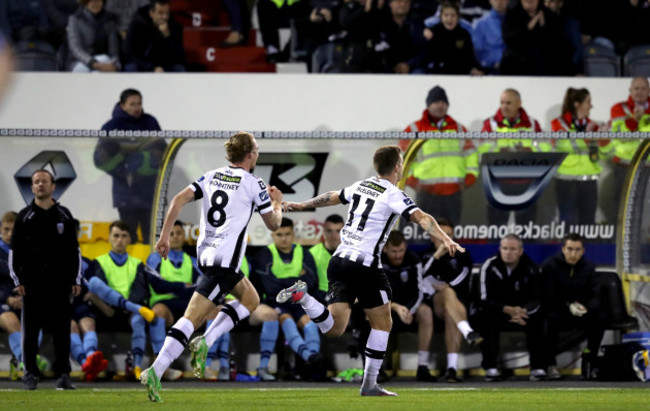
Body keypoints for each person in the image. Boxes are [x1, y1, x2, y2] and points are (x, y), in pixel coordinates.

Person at [277, 144, 464, 396]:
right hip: (365, 266)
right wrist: (446, 239)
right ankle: (369, 384)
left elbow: (332, 196)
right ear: (397, 167)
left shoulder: (361, 185)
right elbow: (423, 218)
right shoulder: (393, 193)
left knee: (334, 328)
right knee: (383, 323)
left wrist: (302, 205)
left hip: (339, 260)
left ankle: (304, 297)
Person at [140, 131, 283, 402]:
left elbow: (177, 200)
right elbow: (274, 224)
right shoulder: (254, 183)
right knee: (191, 319)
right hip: (224, 263)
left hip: (208, 256)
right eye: (257, 149)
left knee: (251, 299)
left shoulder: (211, 176)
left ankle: (206, 341)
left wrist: (163, 236)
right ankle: (156, 370)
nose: (258, 153)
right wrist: (277, 202)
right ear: (250, 155)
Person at [88, 220, 191, 380]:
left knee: (140, 320)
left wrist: (127, 306)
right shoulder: (99, 262)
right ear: (109, 238)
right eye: (116, 236)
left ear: (129, 239)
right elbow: (98, 288)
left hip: (130, 311)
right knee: (88, 311)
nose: (120, 240)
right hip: (106, 311)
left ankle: (139, 367)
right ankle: (88, 362)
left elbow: (139, 290)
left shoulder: (137, 264)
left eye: (124, 236)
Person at [9, 170, 82, 390]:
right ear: (32, 188)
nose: (40, 185)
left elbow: (74, 250)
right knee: (30, 332)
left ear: (53, 186)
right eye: (36, 182)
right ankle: (30, 373)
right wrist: (17, 281)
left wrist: (75, 279)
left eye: (44, 181)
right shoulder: (24, 217)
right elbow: (15, 252)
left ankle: (64, 375)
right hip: (32, 284)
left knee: (62, 331)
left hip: (60, 283)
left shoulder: (64, 215)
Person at [251, 217, 322, 379]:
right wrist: (296, 281)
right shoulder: (264, 255)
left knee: (310, 325)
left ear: (293, 234)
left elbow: (311, 283)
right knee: (287, 320)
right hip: (275, 302)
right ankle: (309, 357)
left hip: (300, 301)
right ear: (272, 235)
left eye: (287, 234)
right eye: (279, 235)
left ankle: (312, 364)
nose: (284, 238)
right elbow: (270, 288)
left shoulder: (303, 253)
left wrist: (284, 284)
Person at [474, 234, 547, 382]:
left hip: (522, 314)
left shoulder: (531, 268)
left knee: (540, 320)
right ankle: (491, 368)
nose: (508, 252)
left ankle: (538, 367)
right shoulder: (489, 266)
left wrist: (522, 311)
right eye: (505, 248)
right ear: (500, 249)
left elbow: (537, 297)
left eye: (513, 249)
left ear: (520, 251)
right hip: (497, 312)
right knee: (485, 319)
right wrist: (507, 310)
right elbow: (483, 298)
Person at [401, 85, 477, 226]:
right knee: (425, 232)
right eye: (436, 102)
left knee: (452, 233)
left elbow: (471, 154)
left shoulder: (459, 128)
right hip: (426, 193)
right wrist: (412, 182)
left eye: (444, 102)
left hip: (453, 193)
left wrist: (470, 178)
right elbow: (403, 159)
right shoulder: (414, 129)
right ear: (429, 105)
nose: (440, 106)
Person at [97, 88, 165, 243]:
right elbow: (101, 159)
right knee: (128, 238)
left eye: (139, 103)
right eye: (132, 104)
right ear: (122, 105)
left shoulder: (150, 122)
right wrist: (126, 173)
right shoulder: (111, 127)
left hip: (151, 192)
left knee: (153, 238)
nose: (137, 108)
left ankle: (152, 267)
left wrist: (153, 162)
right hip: (126, 194)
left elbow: (162, 149)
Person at [421, 218, 481, 382]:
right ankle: (467, 330)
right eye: (442, 235)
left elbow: (465, 275)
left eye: (449, 235)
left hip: (457, 304)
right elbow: (420, 276)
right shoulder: (426, 254)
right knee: (446, 294)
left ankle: (452, 369)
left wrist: (448, 285)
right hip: (433, 303)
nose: (446, 239)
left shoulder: (461, 253)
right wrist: (436, 256)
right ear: (433, 236)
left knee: (450, 310)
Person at [541, 233, 604, 381]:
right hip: (559, 311)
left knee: (600, 318)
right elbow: (547, 294)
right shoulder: (550, 265)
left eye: (577, 250)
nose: (573, 254)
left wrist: (586, 307)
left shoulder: (588, 267)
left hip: (581, 311)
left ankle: (589, 359)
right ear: (563, 249)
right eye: (570, 249)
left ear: (583, 251)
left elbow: (595, 295)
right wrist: (567, 305)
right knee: (547, 320)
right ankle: (550, 364)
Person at [480, 88, 546, 227]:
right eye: (502, 102)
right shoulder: (490, 124)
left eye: (508, 103)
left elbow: (544, 149)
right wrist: (500, 150)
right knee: (495, 227)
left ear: (518, 103)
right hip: (498, 183)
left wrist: (528, 150)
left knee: (527, 228)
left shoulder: (533, 124)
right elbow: (481, 150)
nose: (504, 106)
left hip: (526, 182)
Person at [146, 220, 203, 381]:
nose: (175, 237)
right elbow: (157, 285)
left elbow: (200, 287)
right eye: (171, 234)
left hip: (187, 305)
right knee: (157, 313)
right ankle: (160, 366)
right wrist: (183, 286)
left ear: (184, 236)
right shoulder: (155, 259)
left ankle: (209, 364)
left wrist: (173, 287)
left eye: (178, 233)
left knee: (215, 310)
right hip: (165, 304)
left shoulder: (193, 261)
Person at [550, 88, 611, 226]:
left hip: (588, 180)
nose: (591, 106)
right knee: (567, 221)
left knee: (588, 222)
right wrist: (586, 138)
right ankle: (566, 248)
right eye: (588, 102)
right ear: (577, 104)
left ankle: (586, 248)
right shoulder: (558, 124)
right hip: (566, 180)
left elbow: (606, 153)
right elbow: (560, 146)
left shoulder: (595, 126)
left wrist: (604, 141)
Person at [380, 231, 435, 382]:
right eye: (394, 251)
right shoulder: (376, 261)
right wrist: (396, 307)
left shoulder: (413, 259)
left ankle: (423, 366)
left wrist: (410, 310)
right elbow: (375, 294)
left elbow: (419, 291)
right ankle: (377, 368)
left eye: (401, 251)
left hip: (409, 307)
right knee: (371, 312)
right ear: (385, 249)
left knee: (426, 312)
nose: (398, 255)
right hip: (386, 306)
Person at [609, 76, 649, 221]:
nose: (639, 92)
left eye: (643, 88)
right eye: (636, 88)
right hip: (625, 165)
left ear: (649, 90)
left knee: (645, 208)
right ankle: (617, 242)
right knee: (621, 206)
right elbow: (620, 136)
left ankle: (644, 242)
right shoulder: (618, 108)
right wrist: (634, 120)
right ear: (630, 90)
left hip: (647, 166)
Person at [499, 0, 573, 76]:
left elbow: (559, 45)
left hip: (544, 69)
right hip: (517, 66)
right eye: (527, 2)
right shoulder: (512, 14)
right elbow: (508, 38)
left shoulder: (548, 14)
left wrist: (544, 27)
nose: (530, 5)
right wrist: (527, 28)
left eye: (532, 2)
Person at [422, 1, 483, 75]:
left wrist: (474, 68)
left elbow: (469, 56)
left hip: (459, 73)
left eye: (453, 15)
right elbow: (427, 56)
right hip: (437, 73)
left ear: (458, 17)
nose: (449, 19)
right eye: (446, 15)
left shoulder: (464, 34)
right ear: (441, 17)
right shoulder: (433, 32)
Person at [124, 0, 185, 72]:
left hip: (163, 66)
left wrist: (168, 37)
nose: (165, 17)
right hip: (143, 65)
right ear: (151, 13)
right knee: (132, 67)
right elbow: (130, 54)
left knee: (179, 68)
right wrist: (151, 68)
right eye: (160, 13)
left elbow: (179, 56)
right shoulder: (138, 24)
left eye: (167, 13)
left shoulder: (174, 26)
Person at [65, 0, 120, 72]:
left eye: (99, 1)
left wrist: (115, 66)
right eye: (92, 1)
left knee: (104, 61)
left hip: (103, 64)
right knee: (103, 61)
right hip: (80, 63)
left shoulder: (109, 21)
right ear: (85, 2)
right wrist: (93, 63)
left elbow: (113, 51)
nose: (96, 4)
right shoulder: (75, 19)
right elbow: (75, 48)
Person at [309, 214, 344, 302]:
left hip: (348, 300)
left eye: (338, 231)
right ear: (323, 232)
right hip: (321, 300)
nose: (334, 236)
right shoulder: (311, 254)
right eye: (329, 231)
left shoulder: (353, 254)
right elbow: (309, 287)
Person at [471, 0, 507, 74]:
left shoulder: (517, 23)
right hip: (488, 74)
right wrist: (494, 62)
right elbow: (479, 52)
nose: (499, 2)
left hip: (514, 71)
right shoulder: (480, 24)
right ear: (490, 1)